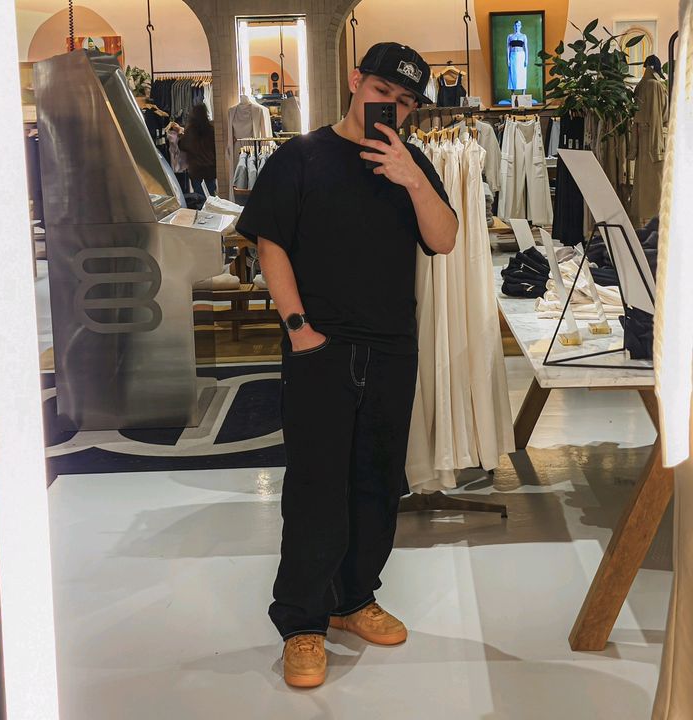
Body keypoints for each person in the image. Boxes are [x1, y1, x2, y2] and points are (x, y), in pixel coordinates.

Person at [236, 42, 458, 689]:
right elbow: (270, 245)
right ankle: (302, 621)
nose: (394, 108)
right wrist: (299, 329)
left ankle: (354, 598)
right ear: (356, 81)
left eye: (407, 102)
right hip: (321, 350)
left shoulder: (411, 163)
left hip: (392, 348)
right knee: (316, 486)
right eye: (384, 92)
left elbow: (444, 238)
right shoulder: (300, 157)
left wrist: (410, 176)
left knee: (378, 481)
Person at [178, 103, 217, 196]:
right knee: (211, 196)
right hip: (210, 168)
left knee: (199, 197)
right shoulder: (211, 130)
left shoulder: (190, 131)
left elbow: (182, 146)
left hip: (196, 169)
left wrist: (180, 136)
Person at [507, 19, 529, 93]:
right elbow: (508, 48)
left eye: (518, 25)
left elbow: (526, 48)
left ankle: (523, 93)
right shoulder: (510, 36)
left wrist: (526, 59)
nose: (517, 27)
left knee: (522, 73)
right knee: (512, 72)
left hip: (521, 56)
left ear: (521, 26)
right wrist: (508, 59)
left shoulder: (523, 36)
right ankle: (513, 93)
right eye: (516, 25)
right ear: (514, 26)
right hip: (513, 55)